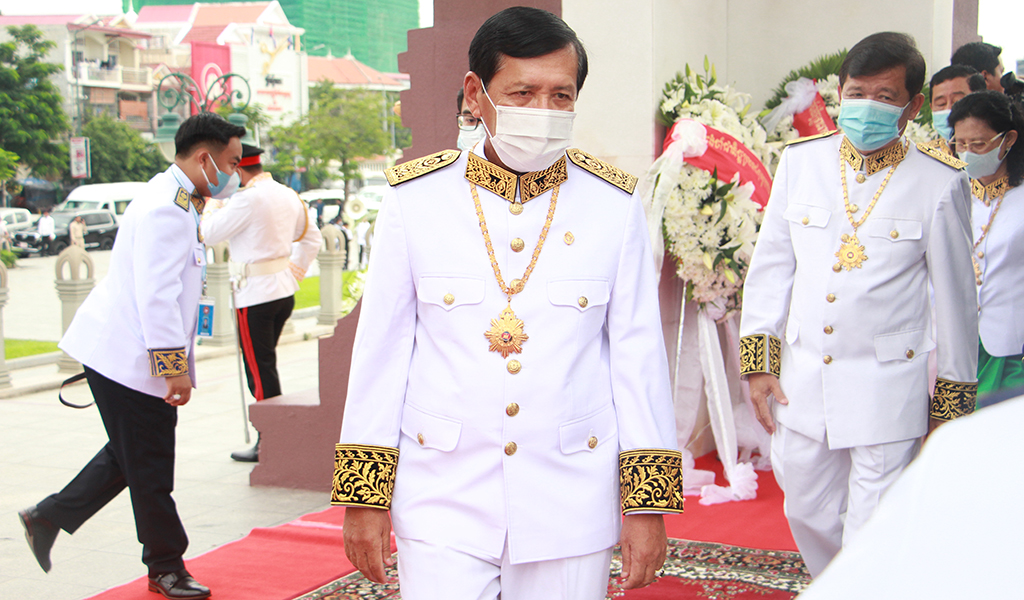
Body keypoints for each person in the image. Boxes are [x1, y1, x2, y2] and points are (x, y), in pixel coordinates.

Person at [332, 7, 682, 600]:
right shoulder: (415, 200)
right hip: (442, 492)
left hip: (570, 495)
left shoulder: (613, 204)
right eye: (523, 93)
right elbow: (381, 354)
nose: (543, 112)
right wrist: (364, 497)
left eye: (560, 96)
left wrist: (648, 504)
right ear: (476, 94)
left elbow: (638, 358)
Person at [739, 32, 979, 578]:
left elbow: (958, 303)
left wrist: (951, 407)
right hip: (804, 381)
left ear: (913, 107)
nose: (867, 106)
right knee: (805, 511)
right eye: (856, 93)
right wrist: (759, 363)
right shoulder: (801, 163)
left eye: (885, 96)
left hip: (887, 388)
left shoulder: (941, 182)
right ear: (839, 93)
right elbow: (771, 268)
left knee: (873, 528)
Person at [17, 112, 245, 599]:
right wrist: (174, 369)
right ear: (204, 158)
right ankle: (166, 567)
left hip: (121, 351)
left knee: (132, 455)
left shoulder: (174, 196)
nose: (234, 173)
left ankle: (48, 516)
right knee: (151, 465)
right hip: (129, 358)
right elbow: (157, 296)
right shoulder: (168, 208)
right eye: (230, 162)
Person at [201, 143, 322, 462]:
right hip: (282, 292)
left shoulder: (245, 199)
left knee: (259, 371)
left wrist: (214, 202)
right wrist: (293, 272)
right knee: (265, 366)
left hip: (255, 296)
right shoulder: (287, 193)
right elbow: (312, 238)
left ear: (237, 168)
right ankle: (275, 434)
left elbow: (208, 233)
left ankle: (271, 439)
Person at [948, 91, 1024, 398]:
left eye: (978, 144)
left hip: (1012, 348)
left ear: (1008, 140)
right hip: (956, 347)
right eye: (960, 144)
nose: (967, 153)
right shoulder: (951, 195)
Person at [927, 64, 980, 148]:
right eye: (941, 104)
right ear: (931, 107)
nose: (949, 109)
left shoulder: (996, 147)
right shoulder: (924, 153)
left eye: (957, 101)